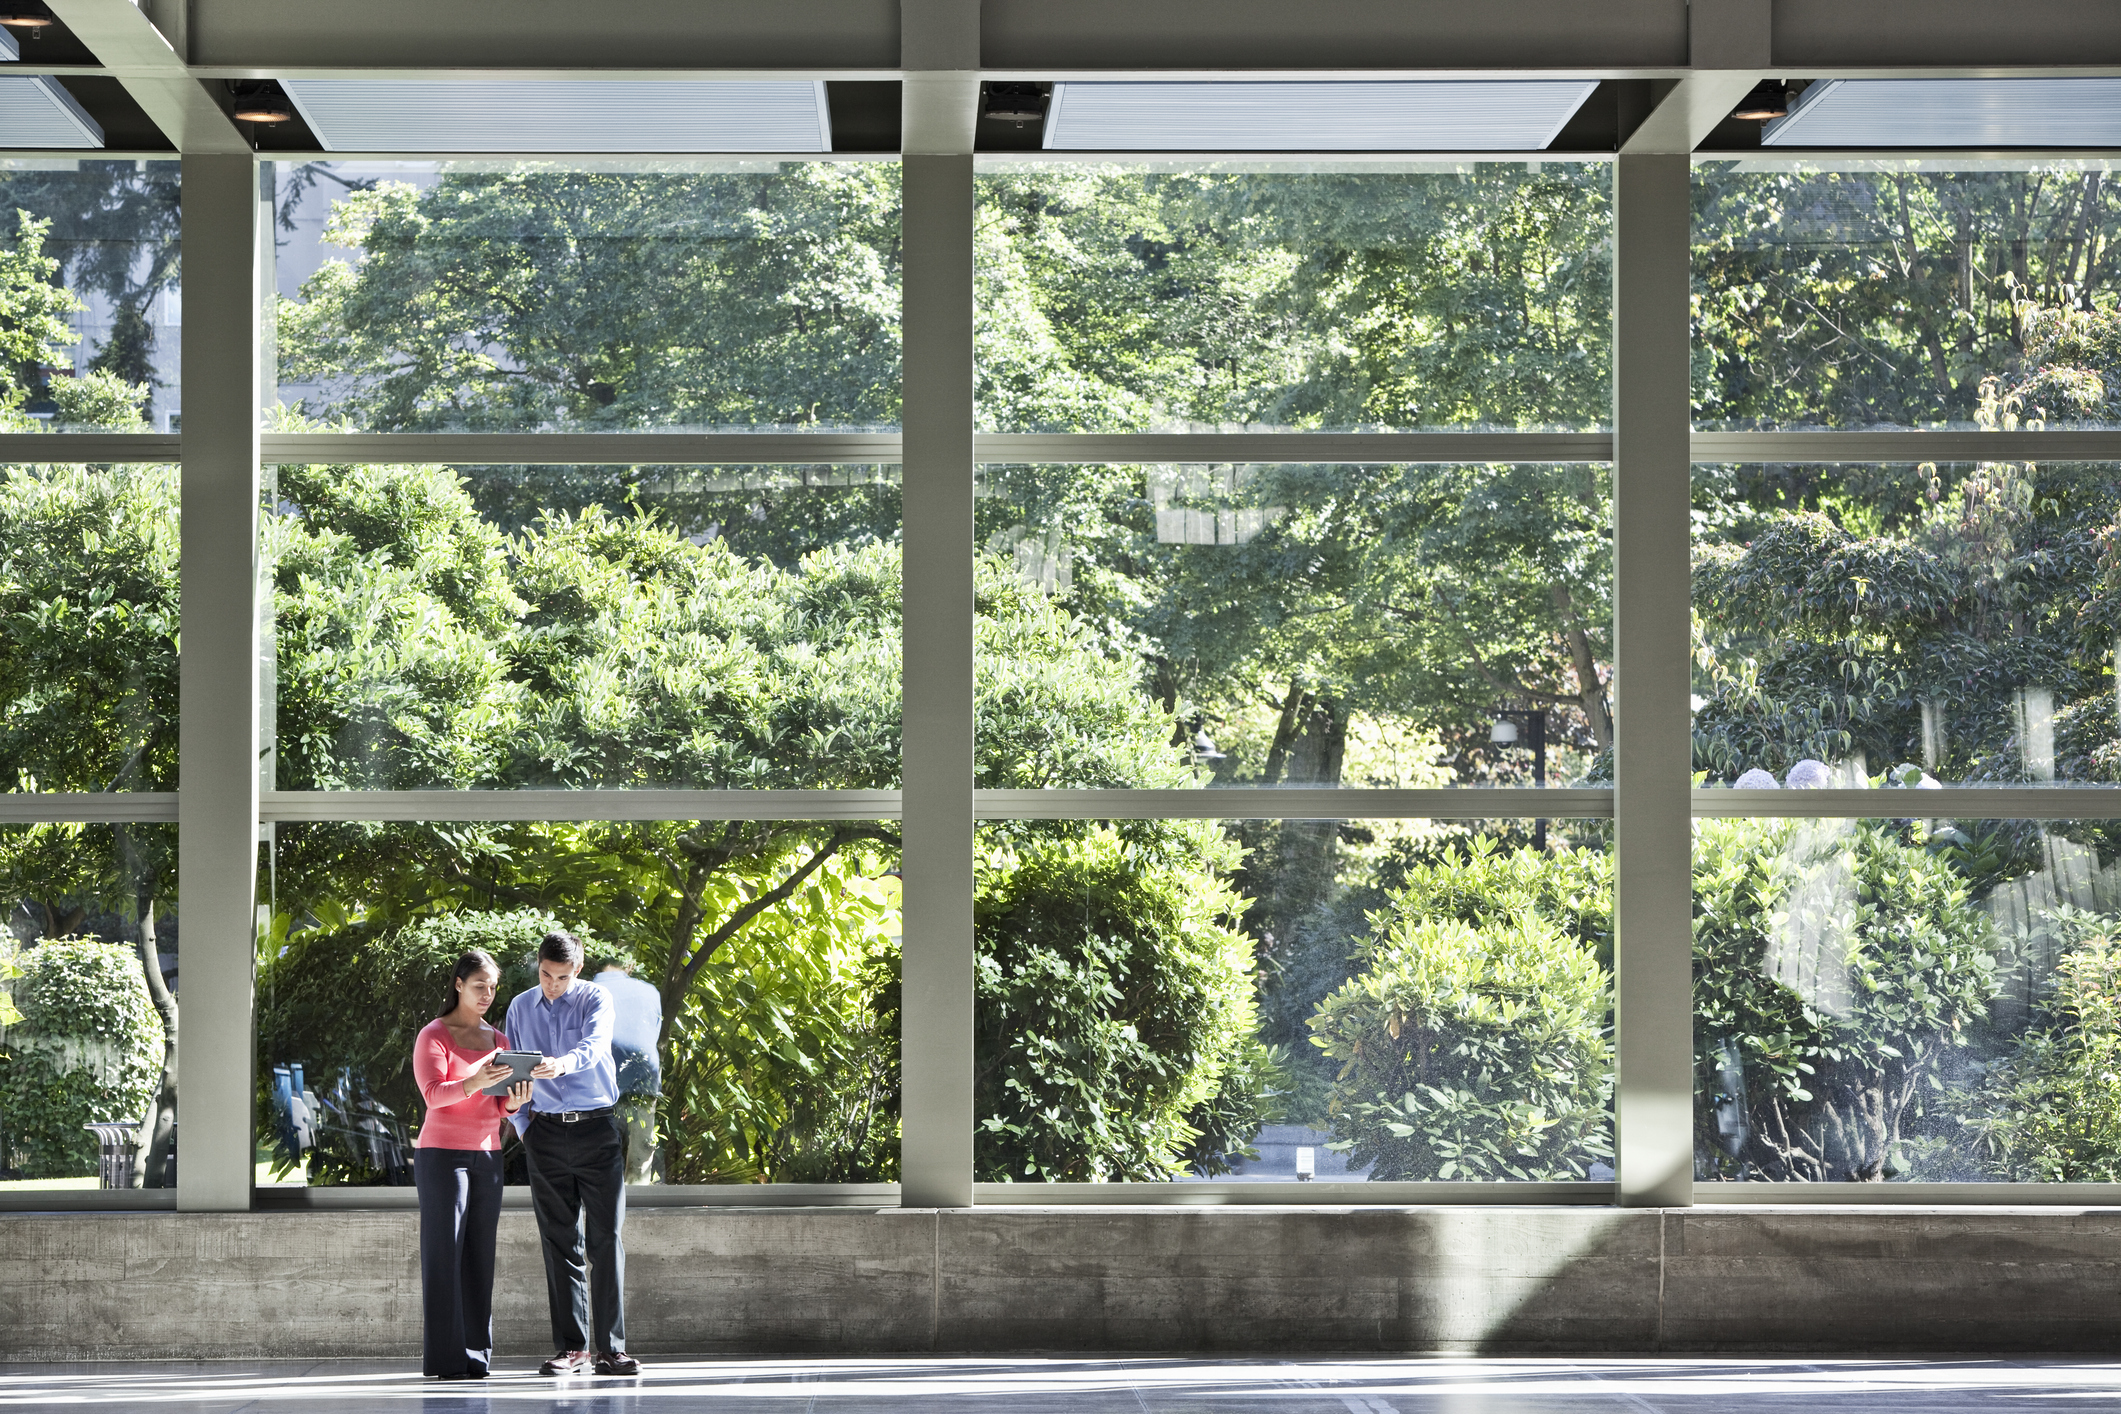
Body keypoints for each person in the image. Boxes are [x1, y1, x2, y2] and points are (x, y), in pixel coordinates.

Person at [504, 930, 640, 1377]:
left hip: (596, 1132)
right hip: (544, 1134)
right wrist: (526, 1129)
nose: (552, 984)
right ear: (538, 966)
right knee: (560, 1243)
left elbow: (596, 1046)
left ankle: (612, 1349)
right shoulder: (521, 1006)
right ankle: (572, 1349)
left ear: (577, 970)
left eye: (562, 977)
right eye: (545, 974)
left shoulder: (596, 999)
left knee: (606, 1240)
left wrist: (561, 1064)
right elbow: (512, 1072)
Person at [411, 948, 531, 1381]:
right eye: (479, 986)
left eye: (493, 988)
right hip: (441, 1156)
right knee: (445, 1255)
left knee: (480, 1256)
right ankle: (444, 1360)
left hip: (487, 1156)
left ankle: (476, 1357)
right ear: (459, 984)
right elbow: (434, 1095)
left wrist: (514, 1101)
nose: (487, 994)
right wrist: (475, 1081)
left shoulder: (499, 1041)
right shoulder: (434, 1035)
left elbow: (498, 1106)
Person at [591, 962, 663, 1183]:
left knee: (600, 1153)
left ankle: (602, 1199)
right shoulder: (650, 990)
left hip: (602, 1081)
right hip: (645, 1078)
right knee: (640, 1154)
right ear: (628, 967)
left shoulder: (588, 990)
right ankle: (639, 1199)